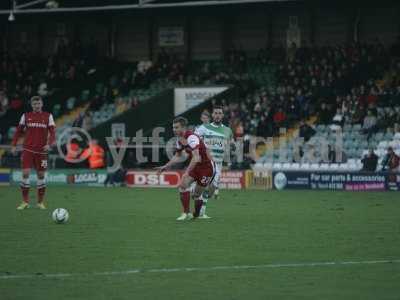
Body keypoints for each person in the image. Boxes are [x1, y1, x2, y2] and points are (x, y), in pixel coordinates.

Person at [156, 117, 216, 221]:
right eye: (173, 127)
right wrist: (166, 166)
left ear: (183, 127)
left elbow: (197, 157)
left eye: (176, 127)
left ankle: (196, 214)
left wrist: (186, 172)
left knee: (196, 194)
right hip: (197, 166)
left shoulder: (191, 137)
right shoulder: (180, 140)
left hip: (207, 168)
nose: (174, 129)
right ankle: (185, 213)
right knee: (183, 185)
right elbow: (178, 155)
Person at [11, 96, 56, 210]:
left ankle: (40, 202)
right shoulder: (26, 116)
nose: (37, 105)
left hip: (42, 152)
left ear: (42, 104)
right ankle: (25, 202)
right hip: (28, 150)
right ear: (32, 105)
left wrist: (49, 144)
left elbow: (53, 133)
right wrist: (14, 145)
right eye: (35, 104)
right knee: (25, 173)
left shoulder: (48, 116)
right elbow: (18, 131)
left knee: (41, 176)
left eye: (39, 103)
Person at [195, 106, 234, 218]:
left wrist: (233, 145)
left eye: (220, 113)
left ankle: (200, 201)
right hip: (206, 163)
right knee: (203, 186)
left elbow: (232, 141)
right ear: (212, 115)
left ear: (222, 115)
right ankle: (201, 211)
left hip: (218, 164)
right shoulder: (204, 128)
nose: (217, 115)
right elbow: (194, 139)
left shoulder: (227, 130)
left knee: (212, 189)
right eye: (215, 113)